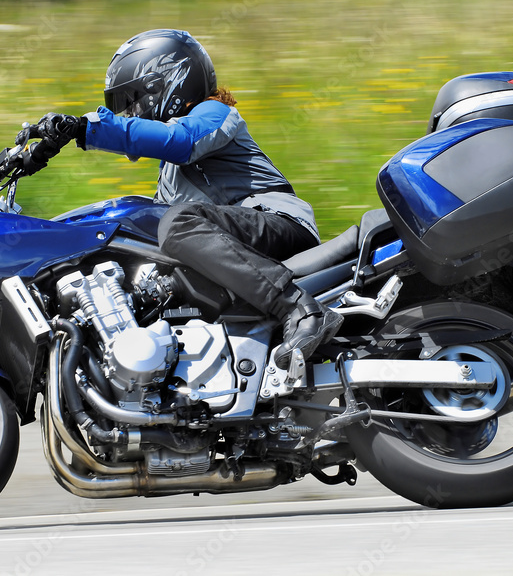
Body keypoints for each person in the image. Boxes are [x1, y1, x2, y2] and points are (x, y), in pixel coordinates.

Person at [17, 28, 342, 370]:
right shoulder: (170, 176)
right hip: (236, 242)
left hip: (278, 223)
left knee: (176, 224)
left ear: (169, 83)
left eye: (135, 98)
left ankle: (299, 308)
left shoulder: (214, 113)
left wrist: (86, 127)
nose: (132, 111)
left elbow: (179, 140)